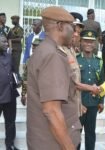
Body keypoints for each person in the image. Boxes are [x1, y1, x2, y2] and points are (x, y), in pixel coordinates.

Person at [26, 6, 81, 150]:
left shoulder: (44, 50)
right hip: (52, 144)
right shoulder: (52, 56)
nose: (74, 32)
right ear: (61, 26)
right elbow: (52, 111)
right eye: (72, 27)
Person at [76, 30, 105, 150]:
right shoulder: (75, 59)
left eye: (91, 42)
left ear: (95, 44)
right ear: (80, 42)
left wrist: (101, 101)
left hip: (93, 103)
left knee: (90, 133)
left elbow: (102, 83)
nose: (88, 44)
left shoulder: (99, 61)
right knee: (75, 134)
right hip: (78, 103)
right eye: (85, 41)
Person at [0, 34, 19, 150]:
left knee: (11, 122)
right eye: (3, 42)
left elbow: (14, 71)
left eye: (6, 42)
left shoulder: (9, 56)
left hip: (10, 94)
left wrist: (18, 80)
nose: (7, 44)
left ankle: (10, 145)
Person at [21, 38, 43, 106]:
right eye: (33, 48)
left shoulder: (48, 61)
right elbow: (25, 78)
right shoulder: (29, 61)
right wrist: (23, 94)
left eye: (35, 48)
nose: (33, 50)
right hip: (33, 94)